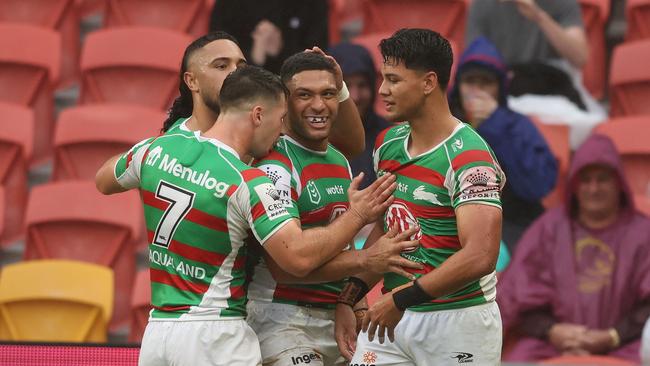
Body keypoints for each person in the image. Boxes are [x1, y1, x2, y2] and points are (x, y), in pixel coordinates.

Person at [95, 66, 397, 366]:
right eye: (280, 120)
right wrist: (358, 215)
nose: (280, 132)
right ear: (257, 116)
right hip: (215, 333)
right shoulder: (248, 181)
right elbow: (297, 258)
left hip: (158, 332)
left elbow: (103, 180)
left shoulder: (155, 149)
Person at [334, 28, 506, 365]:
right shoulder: (387, 144)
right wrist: (348, 296)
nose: (382, 90)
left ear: (429, 83)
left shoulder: (469, 158)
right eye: (384, 78)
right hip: (393, 318)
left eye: (394, 80)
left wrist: (401, 300)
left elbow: (481, 255)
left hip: (458, 321)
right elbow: (388, 231)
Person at [246, 51, 421, 366]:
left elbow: (339, 245)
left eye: (328, 94)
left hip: (335, 316)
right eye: (304, 95)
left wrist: (353, 303)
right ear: (284, 103)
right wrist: (367, 253)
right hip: (282, 319)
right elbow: (286, 267)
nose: (318, 105)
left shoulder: (339, 160)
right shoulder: (274, 165)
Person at [498, 134, 650, 363]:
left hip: (625, 344)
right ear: (573, 186)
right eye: (585, 180)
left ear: (619, 183)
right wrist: (553, 331)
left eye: (603, 179)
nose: (594, 188)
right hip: (551, 344)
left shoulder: (643, 232)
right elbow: (515, 297)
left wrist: (612, 336)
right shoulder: (548, 229)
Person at [162, 32, 365, 160]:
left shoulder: (265, 119)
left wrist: (339, 88)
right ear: (192, 81)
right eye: (222, 66)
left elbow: (352, 147)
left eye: (241, 66)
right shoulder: (168, 148)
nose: (234, 73)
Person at [449, 36, 558, 250]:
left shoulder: (517, 124)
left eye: (486, 82)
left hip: (512, 224)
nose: (477, 91)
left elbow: (538, 185)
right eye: (470, 81)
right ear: (458, 85)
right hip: (453, 226)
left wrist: (495, 124)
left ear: (499, 88)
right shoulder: (446, 123)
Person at [465, 0, 606, 148]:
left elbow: (580, 57)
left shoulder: (563, 3)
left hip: (554, 92)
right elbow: (474, 61)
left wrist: (539, 17)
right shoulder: (482, 5)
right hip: (505, 90)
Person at [328, 42, 392, 190]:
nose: (355, 97)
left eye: (362, 85)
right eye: (346, 87)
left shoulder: (389, 139)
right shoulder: (314, 139)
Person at [209, 0, 329, 74]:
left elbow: (317, 55)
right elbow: (217, 49)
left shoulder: (312, 3)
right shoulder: (229, 4)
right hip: (239, 86)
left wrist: (282, 49)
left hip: (292, 85)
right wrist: (254, 58)